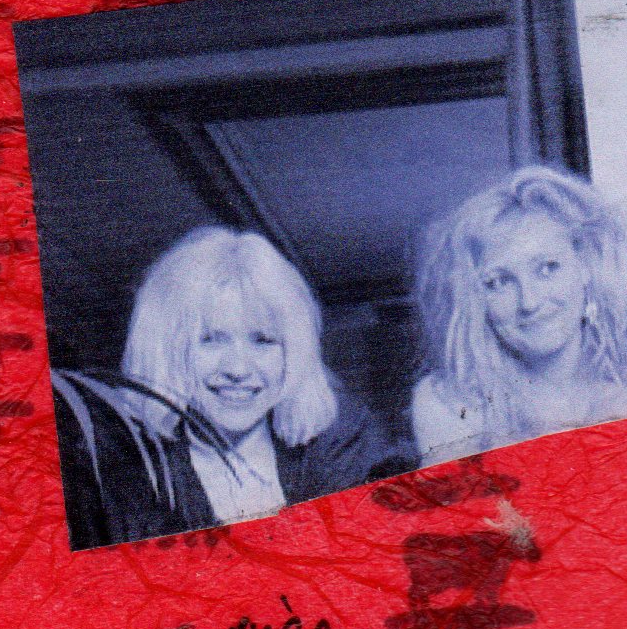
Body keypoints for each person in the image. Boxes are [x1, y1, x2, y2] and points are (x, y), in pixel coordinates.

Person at [52, 226, 409, 549]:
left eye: (263, 340)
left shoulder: (348, 447)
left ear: (294, 353)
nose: (238, 369)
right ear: (168, 352)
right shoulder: (116, 477)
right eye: (211, 339)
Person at [411, 165, 627, 465]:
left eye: (547, 268)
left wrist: (616, 292)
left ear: (583, 267)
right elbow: (460, 509)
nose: (529, 301)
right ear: (474, 299)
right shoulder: (449, 400)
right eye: (499, 282)